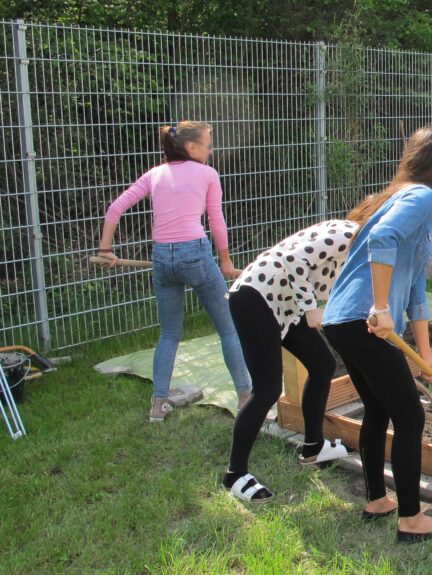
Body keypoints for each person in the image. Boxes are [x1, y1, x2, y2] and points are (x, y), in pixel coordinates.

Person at [321, 126, 432, 543]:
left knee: (379, 409)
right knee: (410, 415)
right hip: (365, 320)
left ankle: (376, 499)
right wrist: (381, 307)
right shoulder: (421, 197)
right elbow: (381, 238)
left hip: (344, 320)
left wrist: (426, 354)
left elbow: (416, 285)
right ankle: (411, 518)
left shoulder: (405, 198)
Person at [97, 121, 251, 423]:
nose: (210, 150)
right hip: (196, 255)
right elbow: (216, 222)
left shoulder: (155, 174)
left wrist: (105, 250)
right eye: (207, 145)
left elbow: (115, 208)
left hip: (162, 259)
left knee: (169, 333)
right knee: (228, 327)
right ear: (191, 148)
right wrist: (225, 262)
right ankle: (246, 396)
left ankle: (158, 404)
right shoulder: (207, 174)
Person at [221, 219, 360, 503]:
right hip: (256, 298)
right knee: (267, 389)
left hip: (285, 303)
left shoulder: (364, 251)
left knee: (323, 365)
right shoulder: (348, 234)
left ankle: (313, 447)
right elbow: (292, 257)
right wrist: (310, 309)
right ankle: (234, 475)